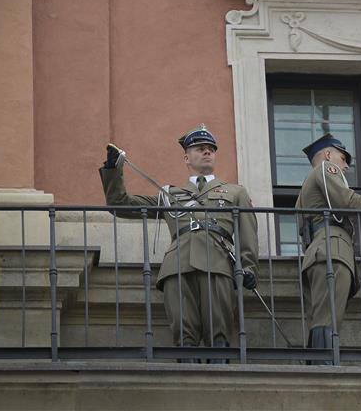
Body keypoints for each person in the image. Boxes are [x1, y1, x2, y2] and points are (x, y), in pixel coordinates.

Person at [99, 124, 258, 362]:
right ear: (186, 157)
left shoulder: (235, 192)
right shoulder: (169, 195)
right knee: (184, 332)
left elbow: (247, 233)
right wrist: (113, 169)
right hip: (178, 265)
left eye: (211, 149)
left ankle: (220, 379)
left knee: (220, 329)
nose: (207, 152)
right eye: (200, 148)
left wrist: (248, 266)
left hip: (218, 262)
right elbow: (121, 205)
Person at [296, 133, 361, 356]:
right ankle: (324, 366)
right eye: (344, 159)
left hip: (318, 250)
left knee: (320, 316)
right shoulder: (326, 169)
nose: (346, 167)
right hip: (333, 247)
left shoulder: (305, 187)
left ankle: (318, 364)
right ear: (329, 154)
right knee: (328, 317)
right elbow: (347, 202)